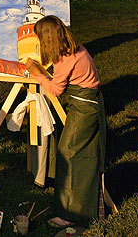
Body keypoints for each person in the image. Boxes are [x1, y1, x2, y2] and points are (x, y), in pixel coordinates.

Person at [25, 15, 106, 228]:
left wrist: (37, 75)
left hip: (84, 108)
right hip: (86, 104)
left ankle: (70, 214)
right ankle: (83, 206)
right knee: (80, 154)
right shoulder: (74, 48)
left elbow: (56, 90)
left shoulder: (66, 59)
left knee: (69, 154)